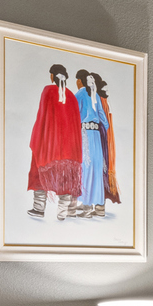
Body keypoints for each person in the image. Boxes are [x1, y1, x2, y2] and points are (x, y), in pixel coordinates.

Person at [27, 63, 82, 220]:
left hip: (49, 143)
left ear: (52, 76)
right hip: (69, 147)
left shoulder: (48, 90)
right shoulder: (72, 96)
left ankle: (39, 208)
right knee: (66, 176)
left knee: (38, 172)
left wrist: (37, 139)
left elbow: (42, 116)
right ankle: (63, 213)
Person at [73, 71, 120, 218]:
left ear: (80, 81)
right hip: (96, 135)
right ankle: (98, 207)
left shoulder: (79, 95)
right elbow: (104, 120)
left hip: (84, 133)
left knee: (85, 169)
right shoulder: (95, 96)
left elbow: (74, 116)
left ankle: (86, 208)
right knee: (96, 169)